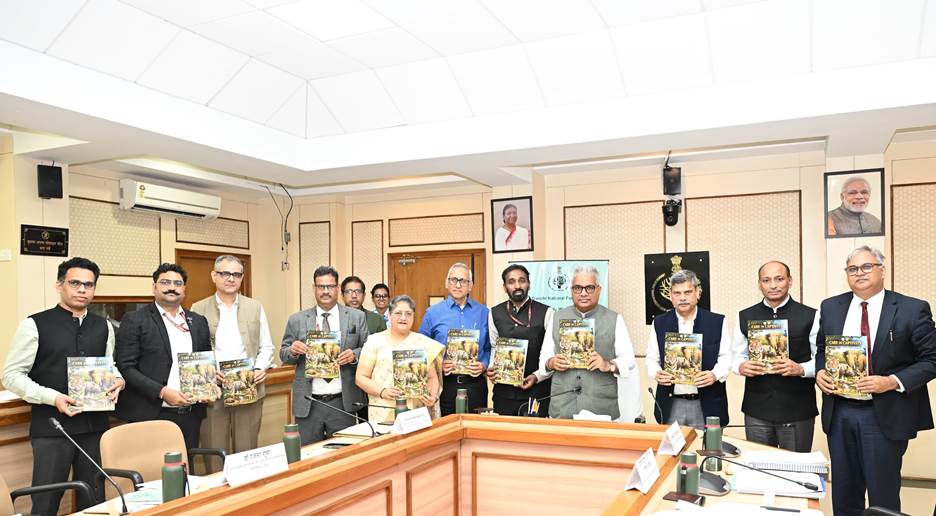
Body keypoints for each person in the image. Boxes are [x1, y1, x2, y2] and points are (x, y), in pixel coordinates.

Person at [816, 246, 936, 516]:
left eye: (867, 266)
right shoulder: (831, 307)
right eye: (852, 269)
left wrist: (892, 381)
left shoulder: (911, 309)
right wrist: (821, 371)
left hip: (884, 412)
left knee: (882, 496)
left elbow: (931, 359)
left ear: (882, 270)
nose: (859, 273)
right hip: (840, 411)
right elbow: (822, 349)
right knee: (844, 493)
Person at [2, 257, 124, 515]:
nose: (82, 290)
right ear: (59, 285)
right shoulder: (34, 324)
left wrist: (118, 379)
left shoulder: (104, 326)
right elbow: (11, 375)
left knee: (95, 500)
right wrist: (52, 397)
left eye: (89, 285)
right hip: (52, 429)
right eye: (75, 283)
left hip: (95, 427)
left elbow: (109, 365)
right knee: (46, 502)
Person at [189, 255, 274, 472]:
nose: (231, 279)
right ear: (214, 276)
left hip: (248, 387)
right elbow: (192, 350)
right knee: (214, 452)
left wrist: (259, 368)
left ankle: (246, 490)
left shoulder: (255, 307)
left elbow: (266, 346)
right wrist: (209, 372)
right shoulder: (197, 308)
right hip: (213, 389)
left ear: (242, 278)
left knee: (247, 451)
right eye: (225, 273)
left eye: (236, 274)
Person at [115, 263, 214, 451]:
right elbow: (125, 366)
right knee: (152, 467)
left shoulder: (198, 321)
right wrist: (161, 392)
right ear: (154, 287)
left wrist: (209, 386)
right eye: (165, 282)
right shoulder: (135, 320)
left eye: (178, 283)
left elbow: (205, 361)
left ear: (184, 289)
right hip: (151, 413)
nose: (172, 287)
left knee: (185, 465)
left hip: (190, 414)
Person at [732, 261, 819, 452]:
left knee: (796, 466)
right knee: (759, 466)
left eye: (779, 279)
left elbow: (821, 360)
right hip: (757, 408)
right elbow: (736, 356)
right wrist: (741, 366)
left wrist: (801, 369)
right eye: (766, 280)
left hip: (797, 408)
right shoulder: (745, 315)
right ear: (759, 284)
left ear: (790, 281)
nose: (773, 285)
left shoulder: (810, 315)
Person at [537, 264, 640, 421]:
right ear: (571, 290)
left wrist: (608, 365)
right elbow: (544, 359)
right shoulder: (557, 317)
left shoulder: (614, 319)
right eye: (578, 288)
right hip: (562, 406)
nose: (583, 293)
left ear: (599, 290)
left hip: (601, 407)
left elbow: (629, 360)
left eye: (589, 288)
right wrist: (551, 363)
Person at [280, 266, 369, 444]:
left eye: (330, 286)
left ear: (337, 288)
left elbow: (368, 349)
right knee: (308, 454)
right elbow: (284, 353)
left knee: (344, 453)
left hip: (342, 401)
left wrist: (354, 355)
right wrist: (292, 350)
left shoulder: (356, 317)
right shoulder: (297, 320)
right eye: (321, 287)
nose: (326, 291)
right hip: (309, 402)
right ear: (314, 288)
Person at [647, 269, 731, 429]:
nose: (682, 298)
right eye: (677, 293)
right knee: (671, 445)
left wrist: (714, 374)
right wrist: (656, 373)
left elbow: (726, 357)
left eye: (687, 292)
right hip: (671, 403)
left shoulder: (717, 321)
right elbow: (652, 359)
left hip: (707, 403)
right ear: (670, 296)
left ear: (697, 293)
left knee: (707, 445)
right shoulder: (659, 323)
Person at [356, 295, 443, 423]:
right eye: (398, 313)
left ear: (413, 316)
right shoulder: (375, 341)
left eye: (408, 313)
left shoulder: (423, 343)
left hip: (416, 414)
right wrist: (383, 392)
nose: (403, 317)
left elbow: (432, 378)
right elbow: (361, 378)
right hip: (383, 411)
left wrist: (432, 396)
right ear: (389, 316)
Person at [418, 262, 491, 415]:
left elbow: (491, 348)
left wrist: (484, 364)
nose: (458, 285)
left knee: (476, 427)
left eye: (463, 281)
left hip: (475, 384)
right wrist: (438, 365)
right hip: (445, 384)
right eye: (453, 280)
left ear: (470, 285)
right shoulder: (432, 313)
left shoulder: (484, 313)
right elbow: (421, 350)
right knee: (447, 427)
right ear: (447, 283)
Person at [486, 264, 554, 416]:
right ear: (505, 287)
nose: (517, 286)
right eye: (511, 282)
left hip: (537, 392)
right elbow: (494, 346)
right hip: (503, 393)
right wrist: (492, 368)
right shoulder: (494, 312)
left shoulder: (546, 312)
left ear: (529, 284)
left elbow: (551, 352)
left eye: (522, 280)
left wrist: (537, 376)